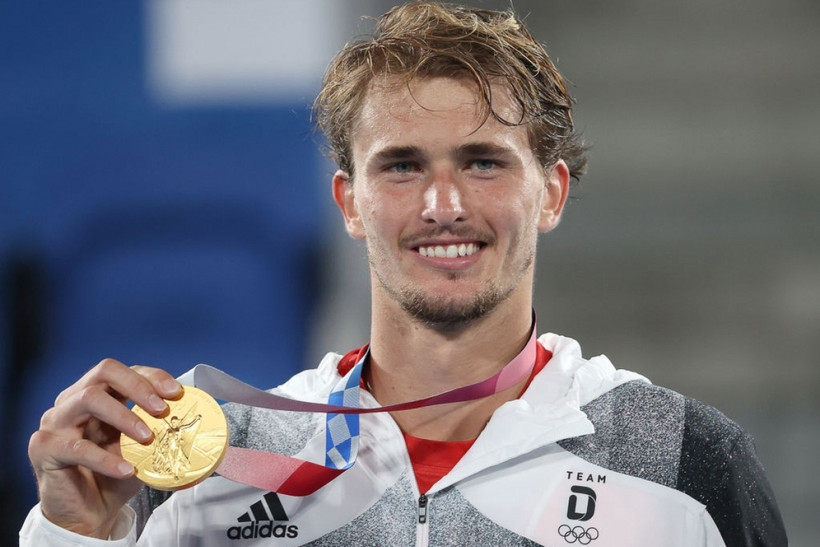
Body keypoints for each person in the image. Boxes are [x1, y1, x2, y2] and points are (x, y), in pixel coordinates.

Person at [20, 2, 787, 545]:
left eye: (483, 162)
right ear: (349, 204)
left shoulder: (682, 461)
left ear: (549, 192)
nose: (443, 203)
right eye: (402, 166)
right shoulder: (225, 460)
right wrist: (74, 532)